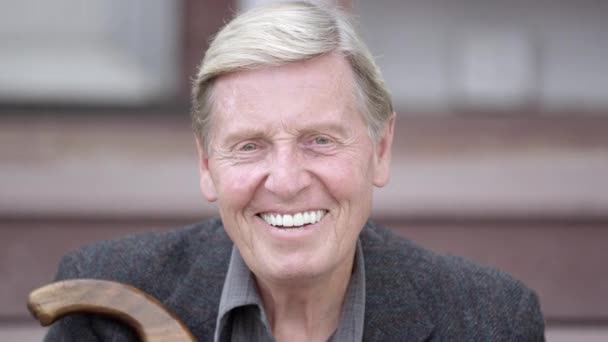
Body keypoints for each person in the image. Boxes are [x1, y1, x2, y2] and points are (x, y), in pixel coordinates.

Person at [44, 1, 545, 341]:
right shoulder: (103, 301)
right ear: (205, 163)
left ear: (382, 149)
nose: (285, 181)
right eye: (249, 145)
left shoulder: (489, 321)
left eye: (320, 141)